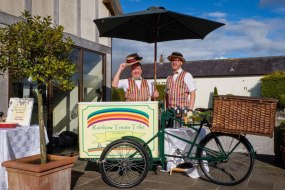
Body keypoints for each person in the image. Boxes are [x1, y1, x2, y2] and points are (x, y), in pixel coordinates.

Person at [165, 52, 196, 127]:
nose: (174, 62)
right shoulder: (168, 77)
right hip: (170, 112)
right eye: (172, 60)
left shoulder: (187, 75)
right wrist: (166, 109)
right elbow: (166, 96)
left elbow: (193, 93)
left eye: (176, 60)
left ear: (181, 62)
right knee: (169, 135)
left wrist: (190, 111)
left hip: (183, 112)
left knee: (182, 135)